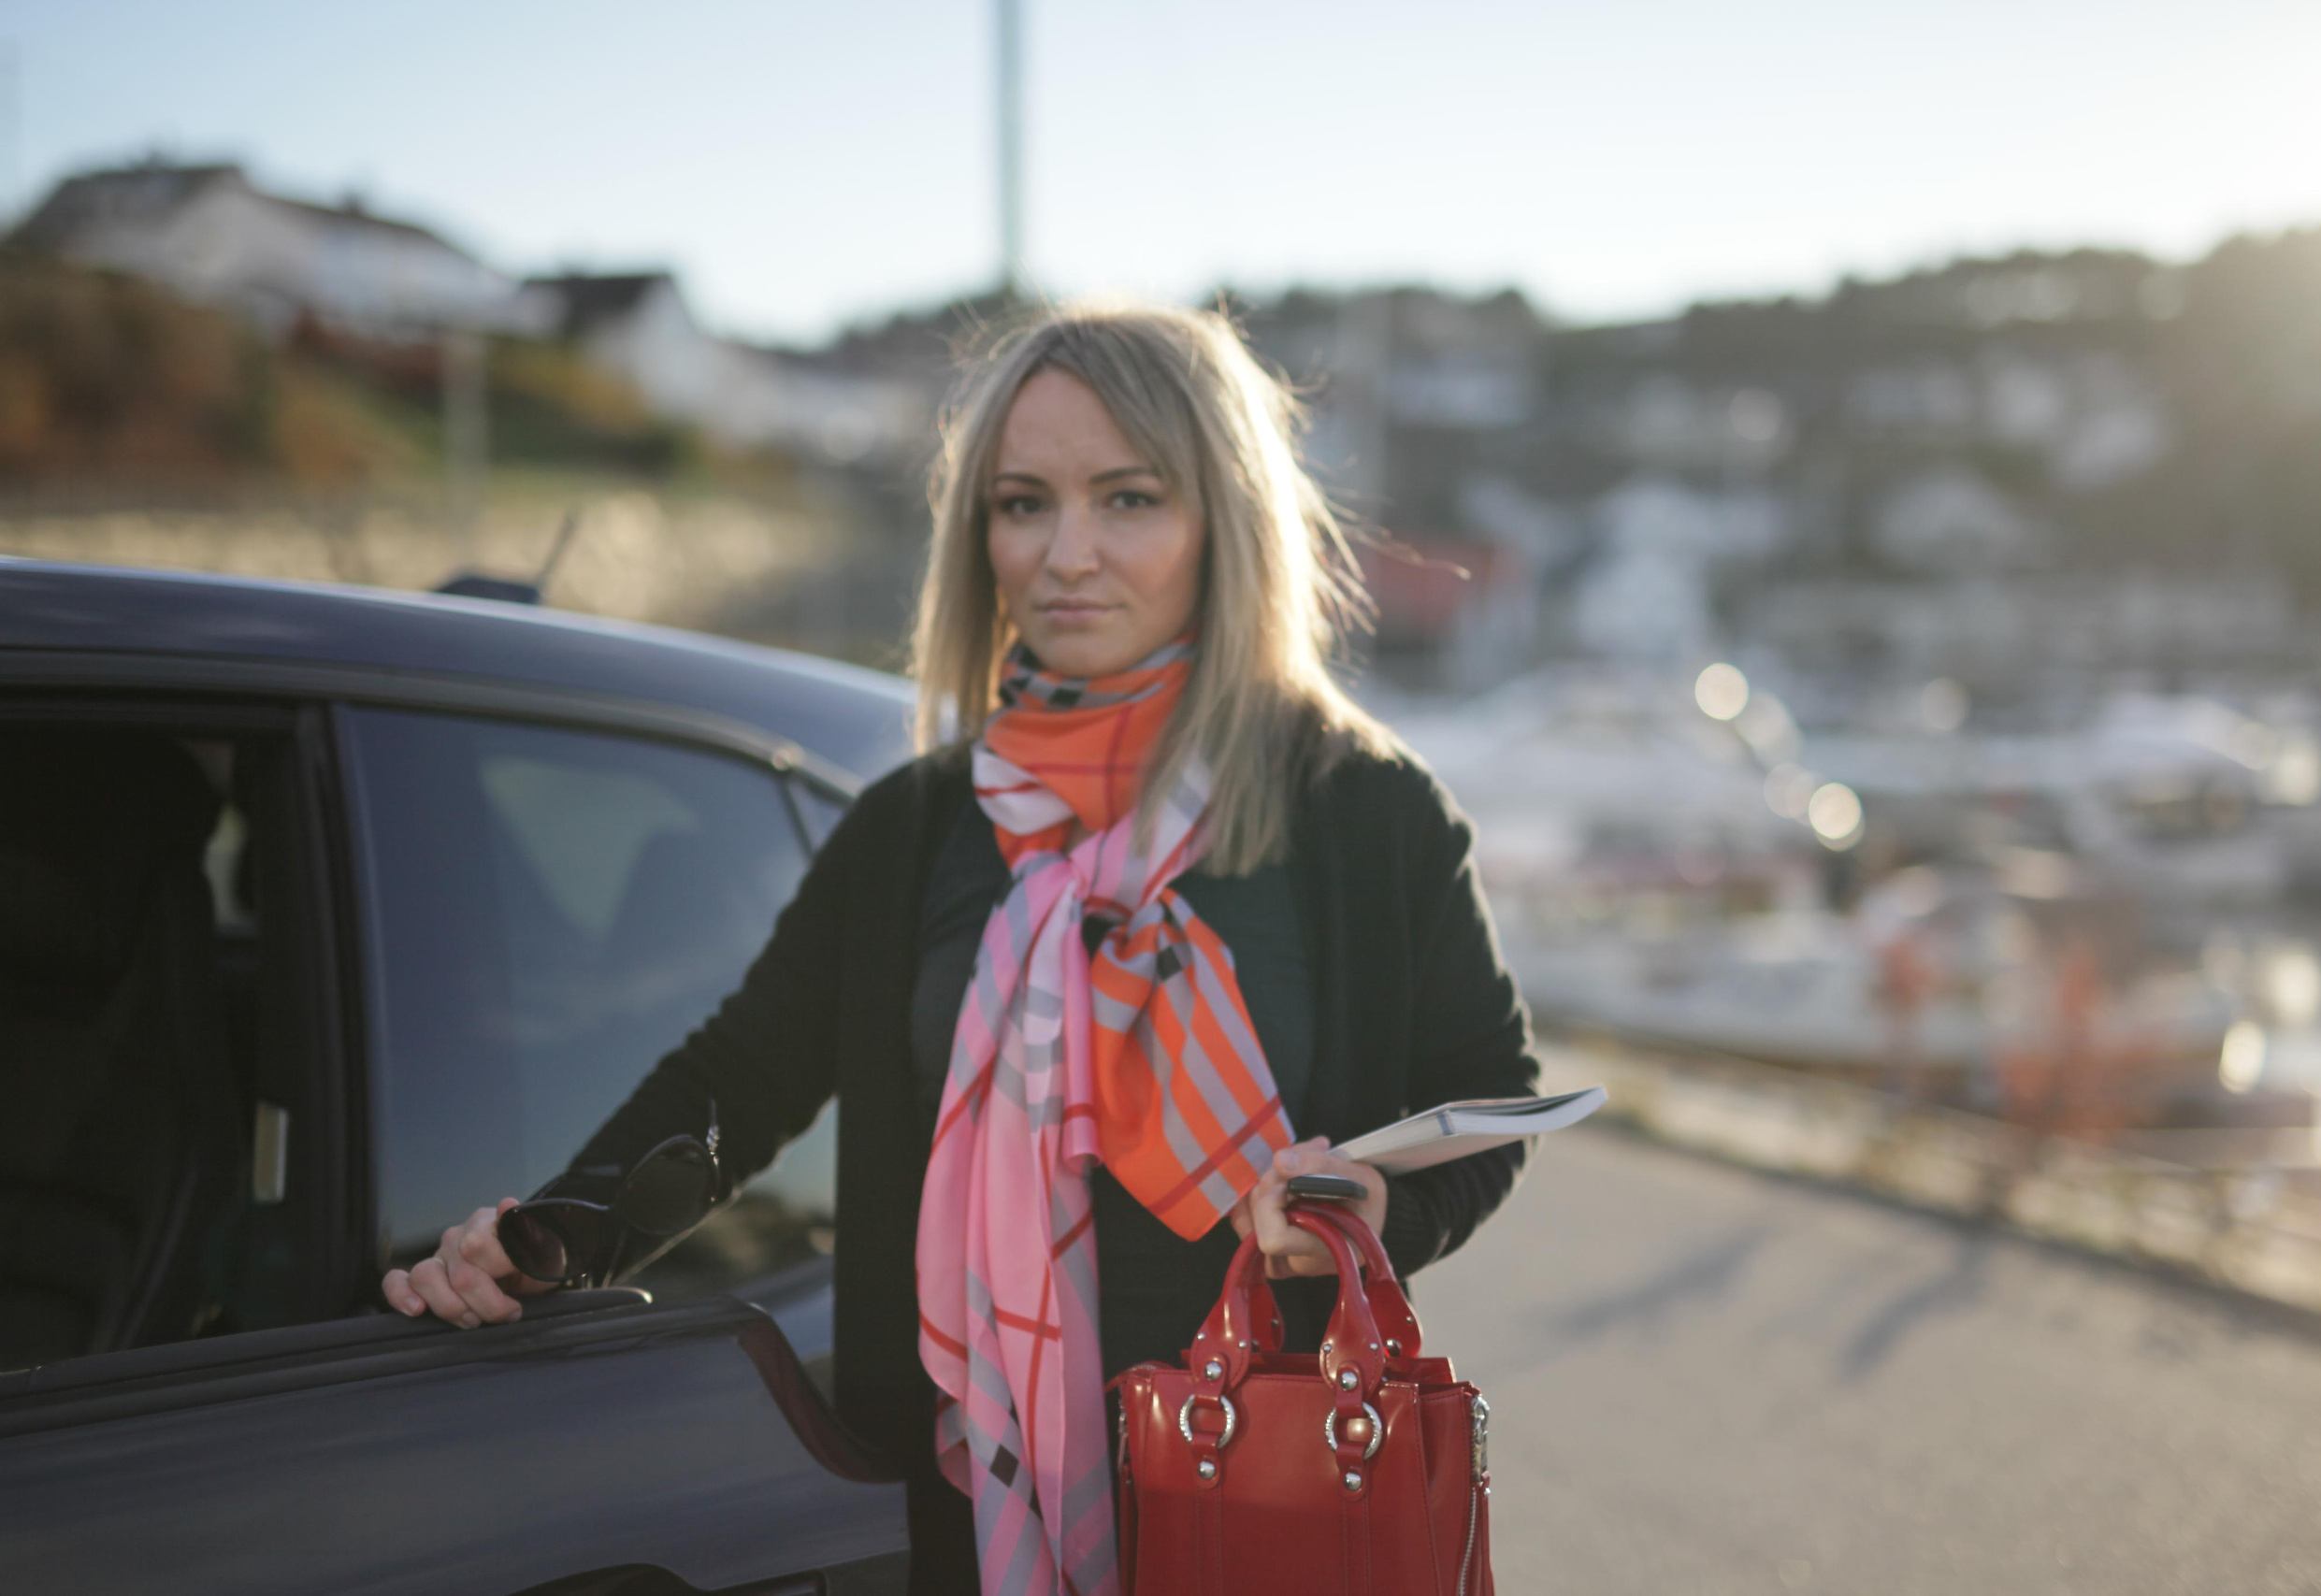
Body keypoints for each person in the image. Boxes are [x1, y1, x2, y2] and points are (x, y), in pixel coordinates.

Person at [382, 301, 1541, 1595]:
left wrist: (1374, 1213)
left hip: (1272, 1496)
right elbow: (739, 1080)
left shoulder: (1365, 813)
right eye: (1023, 504)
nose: (1066, 555)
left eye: (1129, 498)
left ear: (1226, 519)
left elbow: (1490, 1098)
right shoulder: (916, 826)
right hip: (970, 1506)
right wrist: (558, 1236)